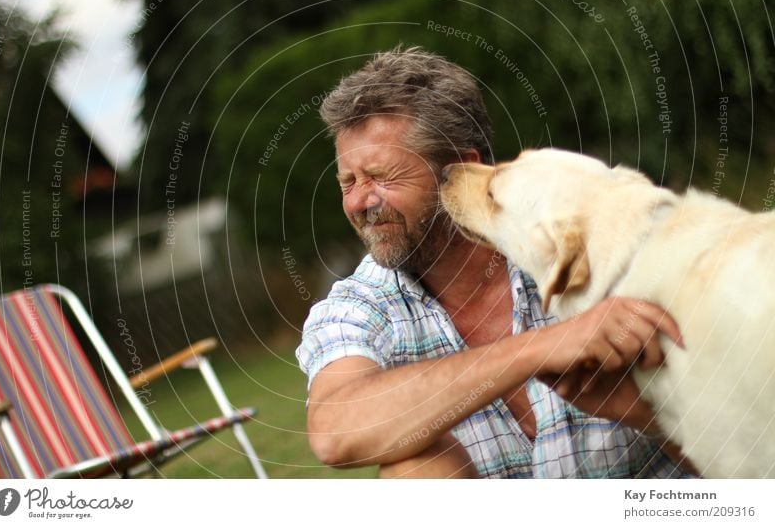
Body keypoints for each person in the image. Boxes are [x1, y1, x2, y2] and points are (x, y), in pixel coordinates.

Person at [296, 46, 693, 478]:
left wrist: (645, 415)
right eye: (348, 182)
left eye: (383, 177)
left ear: (461, 169)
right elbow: (335, 432)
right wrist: (538, 350)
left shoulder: (586, 245)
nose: (359, 202)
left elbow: (742, 442)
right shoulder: (359, 305)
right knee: (415, 474)